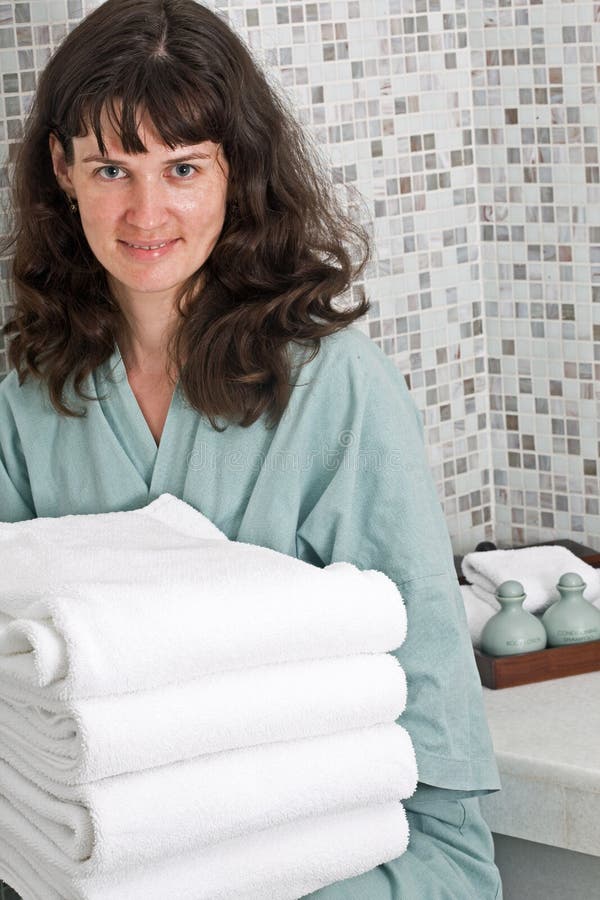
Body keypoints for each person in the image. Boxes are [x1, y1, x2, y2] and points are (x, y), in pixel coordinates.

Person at [0, 1, 502, 897]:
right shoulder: (24, 397)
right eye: (112, 168)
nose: (146, 212)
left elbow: (428, 727)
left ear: (238, 173)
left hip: (330, 862)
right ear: (63, 172)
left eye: (184, 167)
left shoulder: (337, 389)